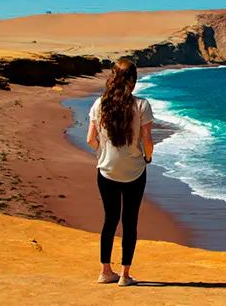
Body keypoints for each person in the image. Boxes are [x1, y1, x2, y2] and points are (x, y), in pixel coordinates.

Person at [86, 58, 154, 286]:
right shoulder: (142, 105)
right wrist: (147, 158)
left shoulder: (99, 105)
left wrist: (103, 153)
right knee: (130, 221)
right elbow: (148, 140)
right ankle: (125, 275)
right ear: (133, 81)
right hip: (134, 170)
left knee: (110, 219)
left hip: (106, 169)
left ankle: (105, 271)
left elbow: (90, 139)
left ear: (112, 78)